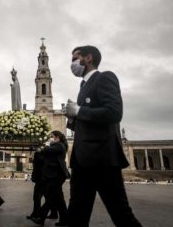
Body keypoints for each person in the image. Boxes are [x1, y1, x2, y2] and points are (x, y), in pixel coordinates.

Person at [65, 45, 142, 227]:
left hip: (102, 159)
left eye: (75, 59)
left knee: (121, 215)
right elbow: (88, 121)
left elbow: (114, 113)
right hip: (82, 159)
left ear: (88, 58)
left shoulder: (105, 78)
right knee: (76, 215)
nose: (72, 64)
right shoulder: (83, 86)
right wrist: (72, 118)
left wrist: (79, 110)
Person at [30, 130, 70, 226]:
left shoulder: (59, 145)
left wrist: (46, 145)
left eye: (52, 136)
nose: (50, 138)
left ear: (57, 137)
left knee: (51, 198)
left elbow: (48, 150)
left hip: (56, 176)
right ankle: (64, 220)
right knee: (59, 199)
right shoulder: (56, 145)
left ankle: (41, 216)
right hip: (54, 175)